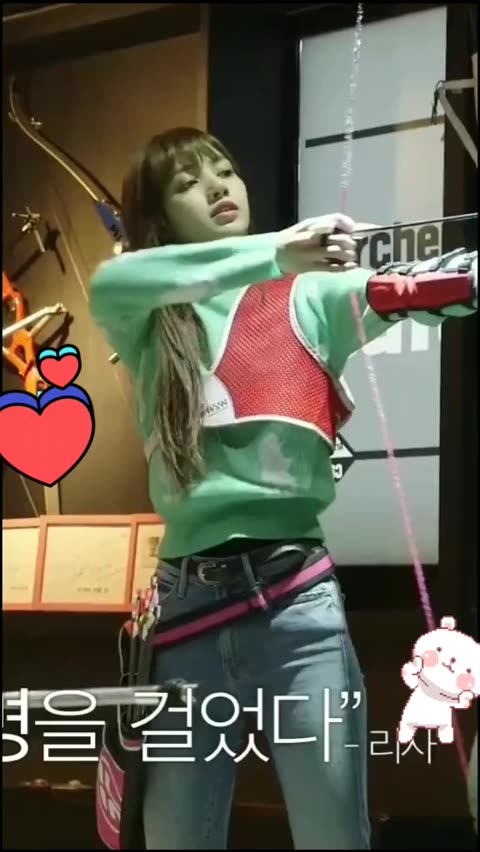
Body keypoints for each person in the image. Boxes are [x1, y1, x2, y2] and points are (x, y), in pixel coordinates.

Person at [89, 127, 477, 850]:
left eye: (225, 170)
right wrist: (278, 250)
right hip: (187, 615)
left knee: (333, 836)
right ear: (158, 216)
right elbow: (113, 280)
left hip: (297, 608)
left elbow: (415, 288)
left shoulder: (306, 294)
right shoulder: (147, 312)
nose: (217, 187)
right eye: (187, 182)